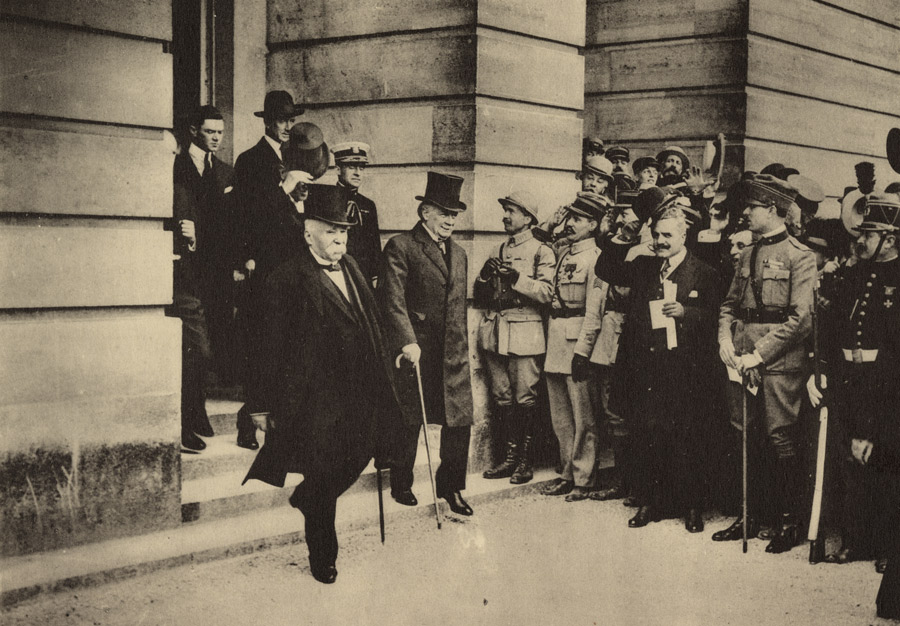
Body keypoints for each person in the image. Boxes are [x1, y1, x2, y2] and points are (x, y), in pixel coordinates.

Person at [242, 185, 401, 584]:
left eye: (343, 232)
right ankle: (324, 556)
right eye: (331, 231)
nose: (339, 239)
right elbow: (266, 348)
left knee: (363, 451)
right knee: (324, 465)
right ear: (308, 232)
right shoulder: (285, 278)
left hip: (360, 391)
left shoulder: (353, 268)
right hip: (313, 397)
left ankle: (307, 496)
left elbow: (373, 322)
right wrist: (260, 406)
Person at [596, 191, 722, 531]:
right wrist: (627, 230)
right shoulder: (643, 267)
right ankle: (649, 502)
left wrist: (687, 313)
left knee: (686, 438)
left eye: (668, 236)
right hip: (646, 368)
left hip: (685, 372)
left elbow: (716, 317)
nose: (661, 241)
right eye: (657, 235)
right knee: (647, 435)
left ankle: (692, 506)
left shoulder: (704, 272)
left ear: (684, 237)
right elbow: (606, 267)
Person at [715, 174, 816, 553]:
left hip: (777, 363)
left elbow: (801, 318)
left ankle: (789, 521)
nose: (745, 213)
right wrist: (725, 340)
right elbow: (728, 306)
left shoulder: (799, 256)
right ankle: (750, 514)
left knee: (780, 437)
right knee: (745, 433)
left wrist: (760, 353)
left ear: (772, 209)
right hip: (741, 358)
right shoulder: (746, 253)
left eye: (752, 207)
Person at [809, 194, 900, 570]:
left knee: (883, 461)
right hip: (848, 381)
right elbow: (829, 331)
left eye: (869, 234)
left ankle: (887, 545)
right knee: (849, 460)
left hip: (887, 384)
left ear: (890, 239)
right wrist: (822, 370)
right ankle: (856, 539)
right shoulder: (847, 274)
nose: (859, 240)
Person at [377, 172, 475, 516]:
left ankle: (452, 488)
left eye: (454, 214)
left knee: (459, 421)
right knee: (409, 419)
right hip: (417, 351)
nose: (450, 219)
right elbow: (392, 301)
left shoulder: (460, 253)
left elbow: (459, 305)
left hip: (453, 354)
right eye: (443, 212)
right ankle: (401, 482)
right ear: (425, 213)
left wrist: (465, 348)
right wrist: (406, 341)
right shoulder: (401, 246)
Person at [231, 91, 308, 450]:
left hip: (294, 267)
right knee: (265, 347)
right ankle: (249, 421)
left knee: (290, 347)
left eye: (292, 119)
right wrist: (285, 190)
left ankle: (281, 427)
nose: (288, 126)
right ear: (267, 121)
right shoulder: (250, 161)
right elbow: (249, 217)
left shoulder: (296, 158)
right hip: (266, 270)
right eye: (282, 119)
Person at [474, 191, 555, 485]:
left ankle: (525, 460)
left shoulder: (541, 251)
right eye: (506, 210)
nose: (505, 216)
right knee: (502, 397)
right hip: (496, 330)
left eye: (511, 211)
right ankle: (508, 459)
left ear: (527, 218)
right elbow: (482, 293)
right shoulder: (498, 247)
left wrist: (517, 278)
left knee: (525, 398)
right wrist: (484, 276)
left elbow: (547, 292)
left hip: (525, 330)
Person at [541, 192, 608, 501]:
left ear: (593, 224)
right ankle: (567, 472)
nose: (570, 224)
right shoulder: (564, 252)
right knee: (561, 417)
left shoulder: (596, 258)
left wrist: (584, 351)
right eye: (570, 217)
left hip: (577, 342)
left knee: (584, 417)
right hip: (555, 338)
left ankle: (584, 478)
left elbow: (595, 310)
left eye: (578, 219)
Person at [172, 106, 237, 387]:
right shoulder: (175, 167)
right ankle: (194, 405)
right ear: (193, 131)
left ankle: (210, 392)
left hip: (217, 270)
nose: (216, 138)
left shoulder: (225, 173)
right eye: (210, 131)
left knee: (218, 333)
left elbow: (234, 223)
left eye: (220, 133)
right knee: (194, 344)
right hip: (187, 268)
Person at [332, 141, 382, 288]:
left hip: (363, 275)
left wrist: (375, 275)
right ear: (338, 169)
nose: (357, 173)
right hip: (338, 272)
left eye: (361, 168)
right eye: (351, 167)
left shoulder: (368, 205)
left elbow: (374, 246)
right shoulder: (327, 200)